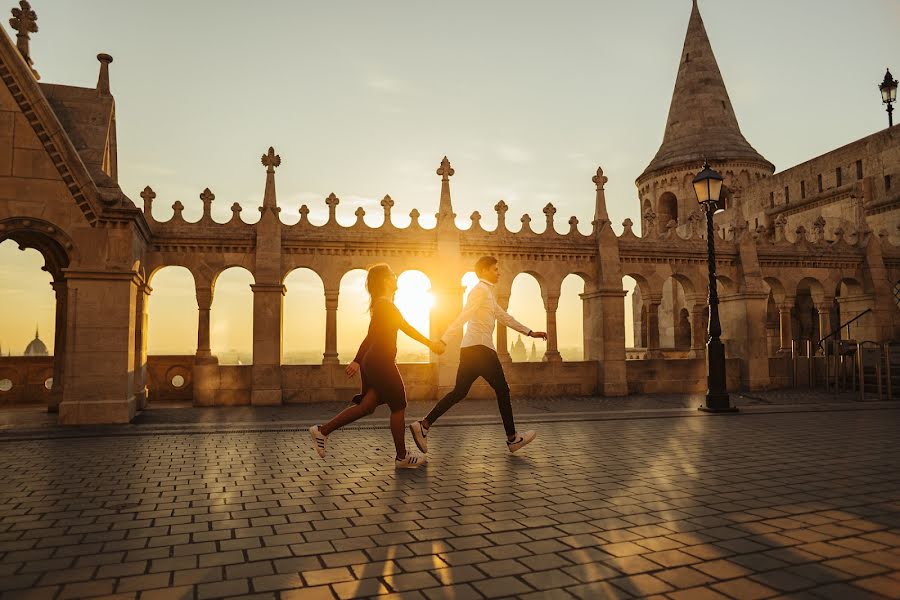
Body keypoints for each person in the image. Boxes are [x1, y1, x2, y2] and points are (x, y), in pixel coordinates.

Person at [309, 264, 444, 468]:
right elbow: (403, 328)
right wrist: (431, 344)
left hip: (375, 361)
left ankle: (323, 431)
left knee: (367, 406)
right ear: (385, 281)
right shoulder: (385, 306)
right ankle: (402, 456)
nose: (395, 276)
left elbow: (370, 335)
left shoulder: (383, 304)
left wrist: (358, 360)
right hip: (381, 361)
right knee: (399, 404)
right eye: (392, 274)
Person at [410, 256, 547, 455]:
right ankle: (512, 438)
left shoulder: (487, 293)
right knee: (503, 390)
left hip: (471, 349)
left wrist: (529, 332)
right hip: (481, 348)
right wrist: (444, 340)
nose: (498, 272)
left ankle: (424, 424)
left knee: (459, 392)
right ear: (483, 271)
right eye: (495, 269)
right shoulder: (480, 291)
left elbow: (504, 317)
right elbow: (464, 315)